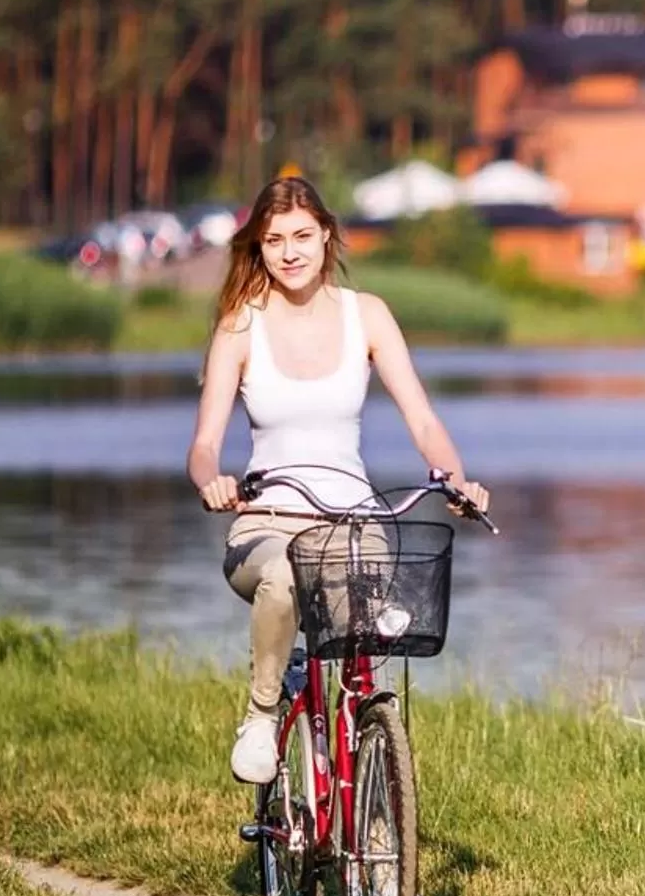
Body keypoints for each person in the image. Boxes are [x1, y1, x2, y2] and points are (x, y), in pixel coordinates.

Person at [184, 175, 489, 787]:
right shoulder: (240, 326)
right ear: (259, 247)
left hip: (353, 524)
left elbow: (423, 420)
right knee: (282, 579)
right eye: (274, 240)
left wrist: (457, 479)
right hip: (267, 524)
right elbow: (205, 443)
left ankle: (378, 843)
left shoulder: (367, 315)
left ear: (326, 235)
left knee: (374, 638)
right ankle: (263, 715)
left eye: (302, 236)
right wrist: (211, 481)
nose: (290, 252)